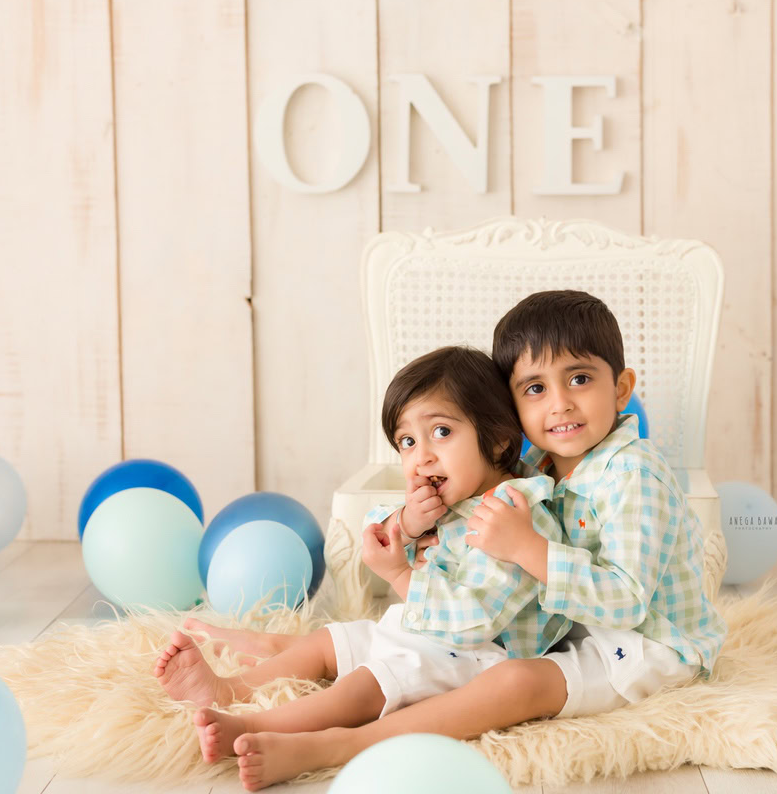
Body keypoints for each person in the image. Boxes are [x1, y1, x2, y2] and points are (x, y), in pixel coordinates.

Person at [199, 290, 729, 792]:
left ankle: (348, 745)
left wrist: (525, 549)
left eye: (580, 378)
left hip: (649, 645)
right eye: (536, 389)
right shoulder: (536, 469)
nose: (560, 404)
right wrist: (407, 523)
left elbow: (629, 599)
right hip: (571, 629)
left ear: (620, 388)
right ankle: (259, 676)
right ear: (513, 413)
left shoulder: (634, 474)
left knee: (518, 683)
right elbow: (466, 502)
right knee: (393, 632)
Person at [153, 345, 570, 770]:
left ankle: (255, 725)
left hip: (479, 659)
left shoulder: (517, 514)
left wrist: (400, 575)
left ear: (499, 439)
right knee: (326, 643)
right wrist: (406, 522)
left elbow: (471, 623)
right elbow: (376, 527)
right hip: (420, 632)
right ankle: (232, 689)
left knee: (363, 688)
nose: (421, 455)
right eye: (407, 441)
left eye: (441, 432)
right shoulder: (454, 495)